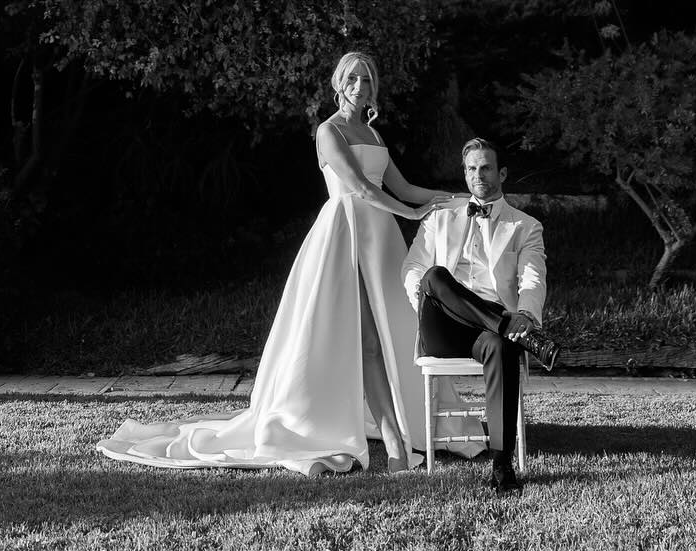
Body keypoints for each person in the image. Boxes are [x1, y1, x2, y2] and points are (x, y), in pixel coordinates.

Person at [98, 50, 458, 475]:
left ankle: (404, 431)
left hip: (380, 240)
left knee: (391, 335)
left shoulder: (373, 134)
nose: (360, 87)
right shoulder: (329, 131)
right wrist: (412, 215)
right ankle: (394, 442)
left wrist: (452, 199)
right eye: (353, 79)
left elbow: (404, 186)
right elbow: (359, 187)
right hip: (344, 235)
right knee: (367, 343)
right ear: (339, 83)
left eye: (367, 80)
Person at [403, 136, 560, 496]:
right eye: (472, 168)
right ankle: (514, 332)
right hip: (442, 323)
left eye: (486, 167)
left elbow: (534, 278)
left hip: (485, 335)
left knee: (502, 347)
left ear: (501, 173)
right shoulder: (439, 218)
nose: (478, 174)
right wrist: (425, 298)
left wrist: (526, 314)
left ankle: (502, 465)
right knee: (434, 276)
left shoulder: (525, 226)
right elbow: (412, 268)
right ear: (464, 173)